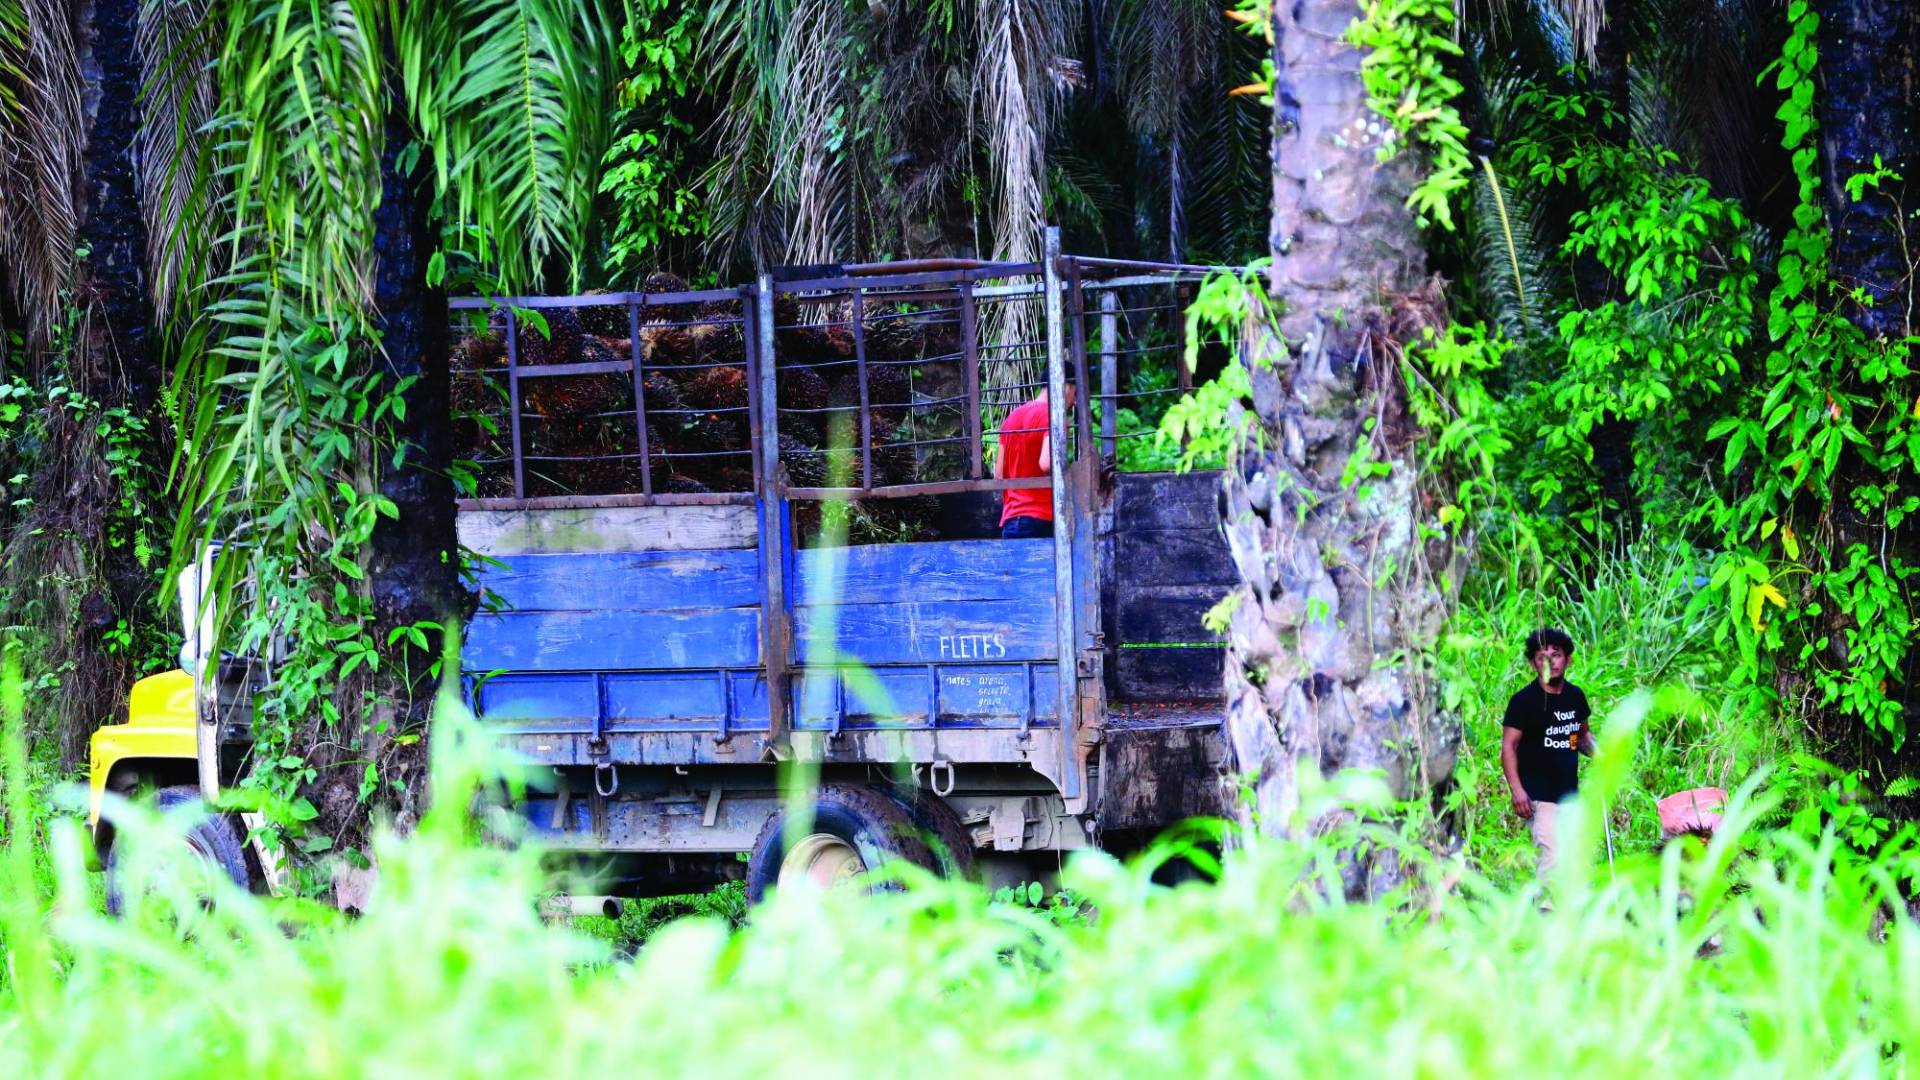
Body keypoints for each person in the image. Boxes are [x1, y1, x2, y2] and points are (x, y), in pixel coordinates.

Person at [1500, 627, 1595, 875]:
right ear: (1533, 663)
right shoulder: (1523, 701)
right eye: (1542, 656)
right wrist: (1517, 791)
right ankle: (1545, 913)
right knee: (1552, 861)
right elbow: (1508, 747)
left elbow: (1582, 736)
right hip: (1540, 799)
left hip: (1570, 797)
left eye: (1556, 655)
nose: (1550, 662)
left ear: (1568, 659)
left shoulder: (1575, 697)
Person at [993, 370, 1076, 539]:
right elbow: (1046, 463)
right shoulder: (1055, 417)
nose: (1074, 402)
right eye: (1075, 393)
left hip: (1011, 520)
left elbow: (999, 474)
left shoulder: (1011, 419)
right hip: (1041, 519)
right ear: (1066, 387)